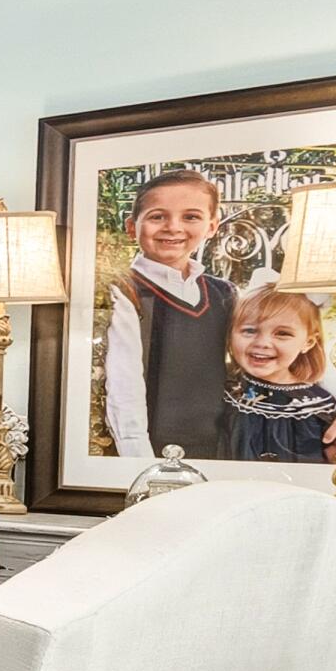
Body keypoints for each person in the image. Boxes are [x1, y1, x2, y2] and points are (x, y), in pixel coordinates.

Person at [101, 170, 237, 458]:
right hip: (153, 453)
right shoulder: (123, 292)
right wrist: (139, 464)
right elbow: (124, 389)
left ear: (212, 226)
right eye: (157, 216)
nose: (173, 227)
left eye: (191, 217)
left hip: (219, 451)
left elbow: (279, 348)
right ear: (131, 226)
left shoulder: (225, 293)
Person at [220, 287, 336, 463]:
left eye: (282, 334)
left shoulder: (318, 407)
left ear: (308, 342)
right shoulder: (225, 388)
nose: (262, 343)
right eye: (250, 330)